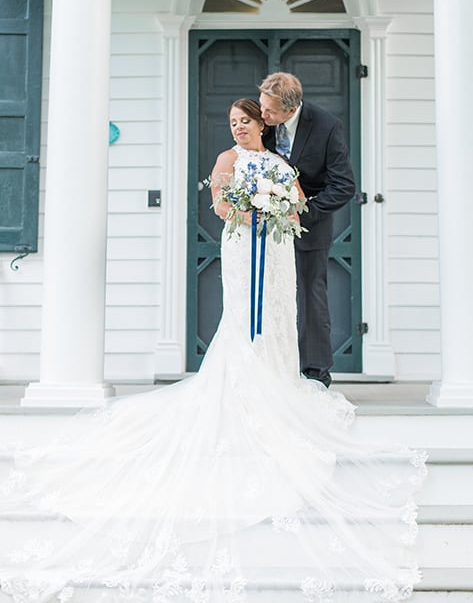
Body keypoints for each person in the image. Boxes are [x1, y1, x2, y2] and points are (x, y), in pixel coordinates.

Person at [0, 99, 425, 603]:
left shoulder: (282, 163)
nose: (238, 128)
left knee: (279, 315)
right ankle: (242, 384)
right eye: (232, 123)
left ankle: (280, 380)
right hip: (244, 245)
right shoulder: (227, 161)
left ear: (261, 123)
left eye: (244, 121)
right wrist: (252, 207)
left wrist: (278, 206)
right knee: (244, 318)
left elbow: (297, 203)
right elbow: (221, 207)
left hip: (279, 248)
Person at [259, 73, 356, 388]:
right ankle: (269, 367)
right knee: (268, 293)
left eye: (270, 111)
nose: (263, 116)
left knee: (311, 295)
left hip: (309, 226)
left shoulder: (326, 126)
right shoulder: (261, 122)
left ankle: (315, 372)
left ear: (290, 110)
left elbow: (344, 186)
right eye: (262, 107)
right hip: (263, 227)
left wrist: (304, 212)